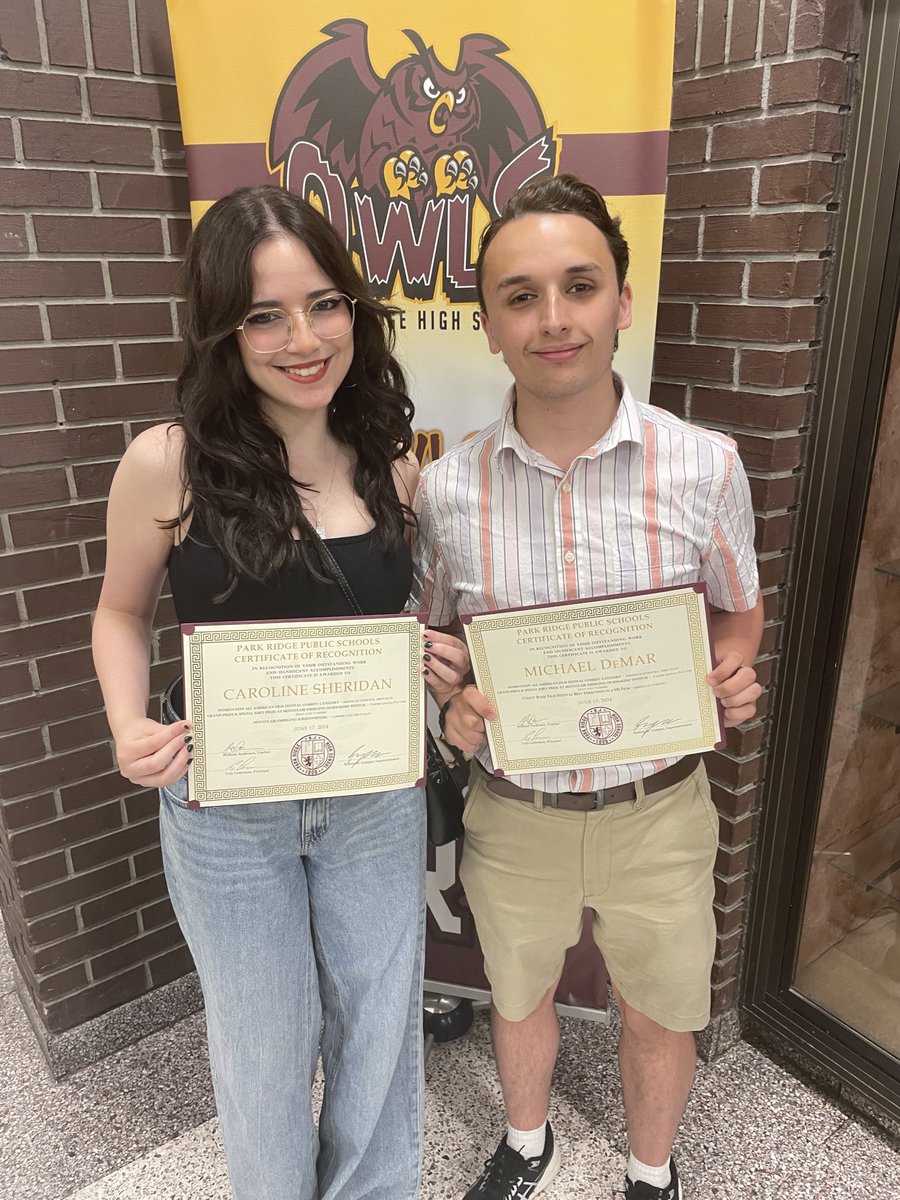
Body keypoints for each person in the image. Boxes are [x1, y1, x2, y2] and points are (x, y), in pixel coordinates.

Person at [91, 185, 467, 1200]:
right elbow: (120, 614)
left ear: (355, 308)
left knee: (380, 1027)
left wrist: (437, 658)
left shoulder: (391, 463)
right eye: (264, 314)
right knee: (261, 1048)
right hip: (225, 812)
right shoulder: (167, 465)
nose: (303, 337)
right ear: (223, 330)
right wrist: (130, 723)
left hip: (374, 803)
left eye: (324, 303)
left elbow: (407, 620)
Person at [412, 174, 763, 1200]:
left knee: (661, 1007)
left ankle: (650, 1172)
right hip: (515, 809)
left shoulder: (706, 468)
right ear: (488, 326)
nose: (552, 317)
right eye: (520, 295)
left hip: (659, 809)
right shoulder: (445, 489)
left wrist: (733, 665)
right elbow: (440, 641)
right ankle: (529, 1145)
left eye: (579, 285)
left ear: (622, 300)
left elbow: (738, 609)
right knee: (517, 995)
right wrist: (453, 703)